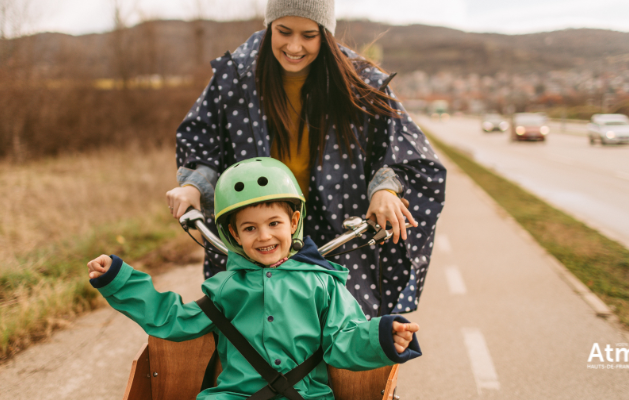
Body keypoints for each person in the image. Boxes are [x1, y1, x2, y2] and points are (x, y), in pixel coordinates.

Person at [166, 0, 446, 318]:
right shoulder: (235, 76)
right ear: (269, 25)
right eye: (284, 31)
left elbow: (404, 149)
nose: (294, 46)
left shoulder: (361, 81)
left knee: (351, 332)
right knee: (242, 330)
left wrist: (386, 188)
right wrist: (194, 185)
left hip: (338, 237)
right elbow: (203, 140)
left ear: (325, 34)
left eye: (309, 35)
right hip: (259, 234)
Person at [89, 158, 421, 399]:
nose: (264, 236)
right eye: (250, 228)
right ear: (233, 233)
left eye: (274, 223)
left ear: (293, 222)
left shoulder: (323, 284)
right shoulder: (224, 288)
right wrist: (120, 280)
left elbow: (343, 342)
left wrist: (382, 338)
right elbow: (172, 319)